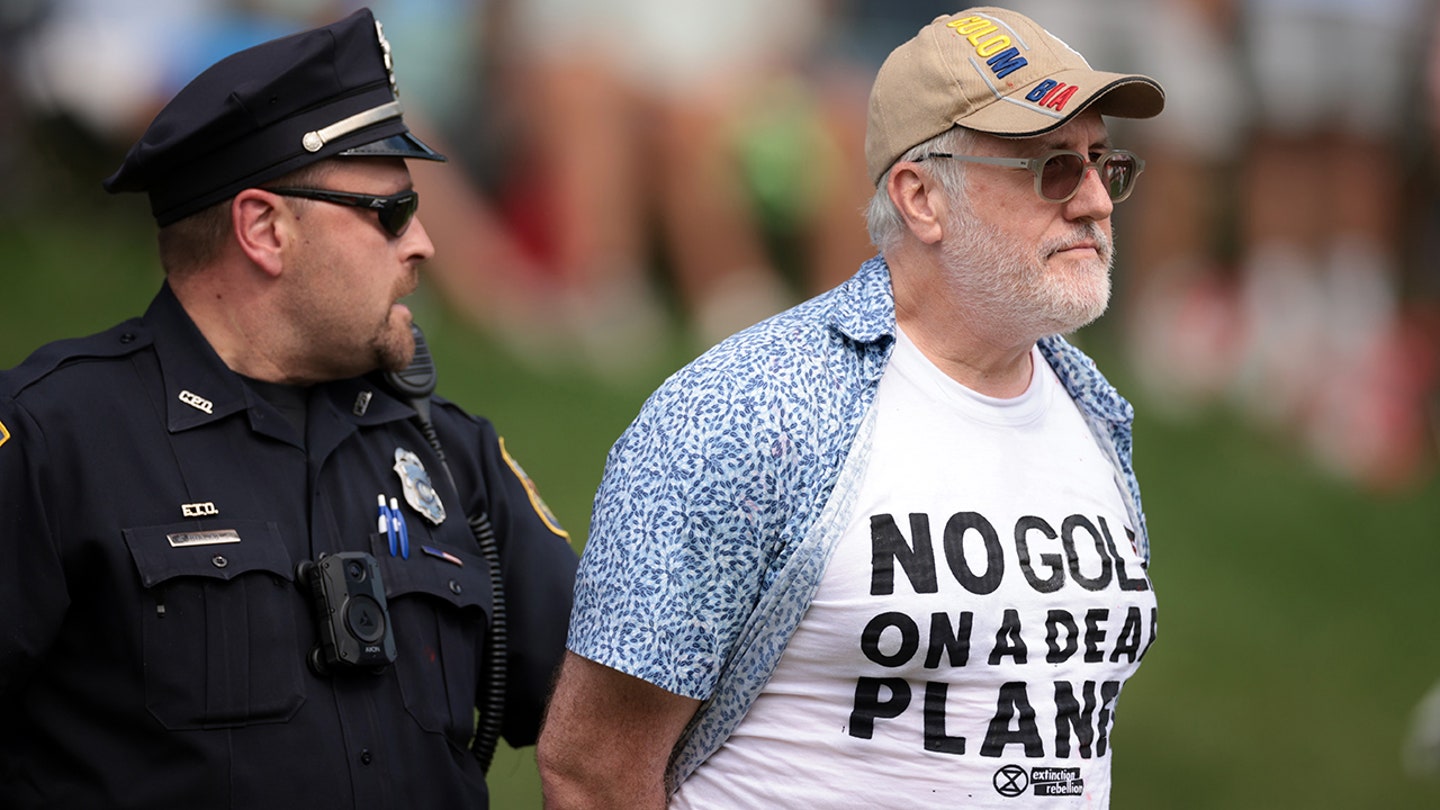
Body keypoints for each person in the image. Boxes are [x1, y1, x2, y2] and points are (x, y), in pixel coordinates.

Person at [538, 7, 1164, 807]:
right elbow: (591, 772)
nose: (1095, 204)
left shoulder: (1095, 411)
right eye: (1050, 168)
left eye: (1103, 164)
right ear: (922, 197)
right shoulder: (745, 412)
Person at [0, 9, 578, 809]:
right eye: (391, 214)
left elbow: (614, 716)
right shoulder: (51, 438)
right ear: (264, 228)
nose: (424, 247)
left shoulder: (448, 453)